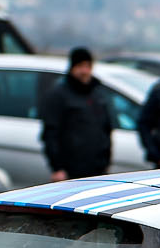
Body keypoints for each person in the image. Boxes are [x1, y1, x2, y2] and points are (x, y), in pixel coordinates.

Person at [38, 46, 115, 182]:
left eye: (88, 66)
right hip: (71, 171)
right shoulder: (59, 95)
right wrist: (57, 168)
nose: (84, 71)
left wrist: (105, 161)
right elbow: (50, 133)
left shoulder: (97, 94)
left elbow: (106, 128)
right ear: (72, 68)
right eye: (80, 66)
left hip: (97, 169)